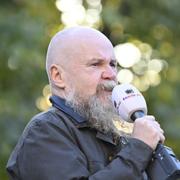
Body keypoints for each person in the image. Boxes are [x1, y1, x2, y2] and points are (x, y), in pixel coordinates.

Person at [6, 26, 165, 180]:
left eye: (112, 64)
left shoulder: (115, 134)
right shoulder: (44, 131)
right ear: (58, 76)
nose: (111, 75)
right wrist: (138, 149)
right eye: (95, 64)